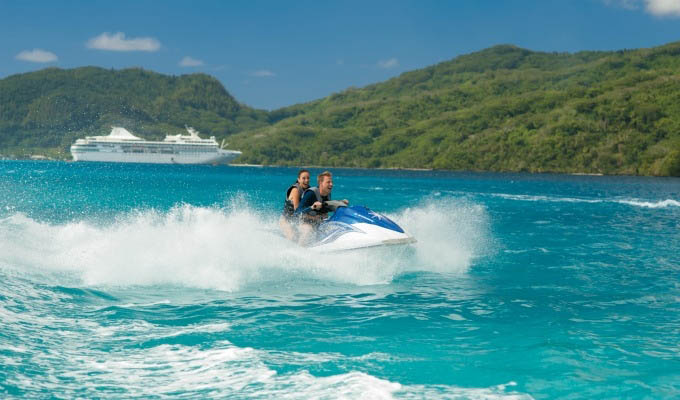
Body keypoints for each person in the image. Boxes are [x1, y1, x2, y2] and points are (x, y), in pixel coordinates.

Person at [295, 171, 348, 245]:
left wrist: (340, 203)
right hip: (303, 223)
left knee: (335, 228)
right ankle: (299, 250)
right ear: (321, 183)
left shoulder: (328, 194)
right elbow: (297, 212)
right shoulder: (311, 193)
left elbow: (325, 207)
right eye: (328, 182)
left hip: (318, 224)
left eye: (331, 182)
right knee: (308, 230)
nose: (331, 184)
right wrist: (312, 207)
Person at [279, 169, 310, 240]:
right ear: (298, 180)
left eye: (308, 178)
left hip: (295, 221)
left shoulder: (308, 190)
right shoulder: (295, 190)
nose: (306, 180)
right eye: (304, 178)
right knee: (292, 237)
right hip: (285, 221)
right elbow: (297, 210)